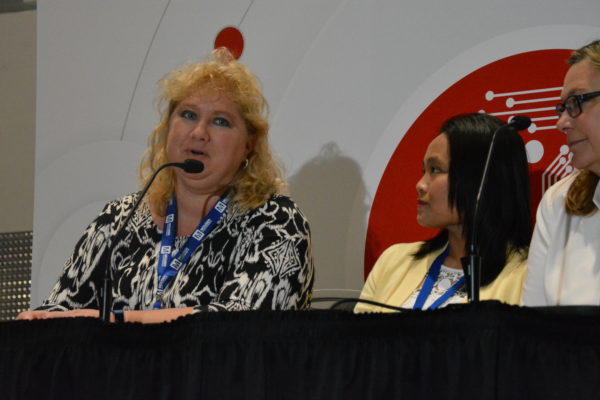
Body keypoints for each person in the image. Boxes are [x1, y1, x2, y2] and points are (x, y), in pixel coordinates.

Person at [18, 48, 314, 323]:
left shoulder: (275, 222)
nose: (199, 133)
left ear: (249, 144)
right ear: (168, 127)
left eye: (220, 122)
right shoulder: (118, 221)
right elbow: (58, 313)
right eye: (188, 115)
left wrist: (120, 321)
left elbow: (238, 327)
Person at [355, 113, 531, 312]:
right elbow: (356, 342)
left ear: (478, 180)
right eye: (424, 170)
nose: (420, 185)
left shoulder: (528, 273)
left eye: (436, 170)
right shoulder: (394, 260)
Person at [522, 40, 600, 306]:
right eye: (563, 108)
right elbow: (533, 332)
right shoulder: (558, 201)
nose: (561, 123)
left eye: (576, 102)